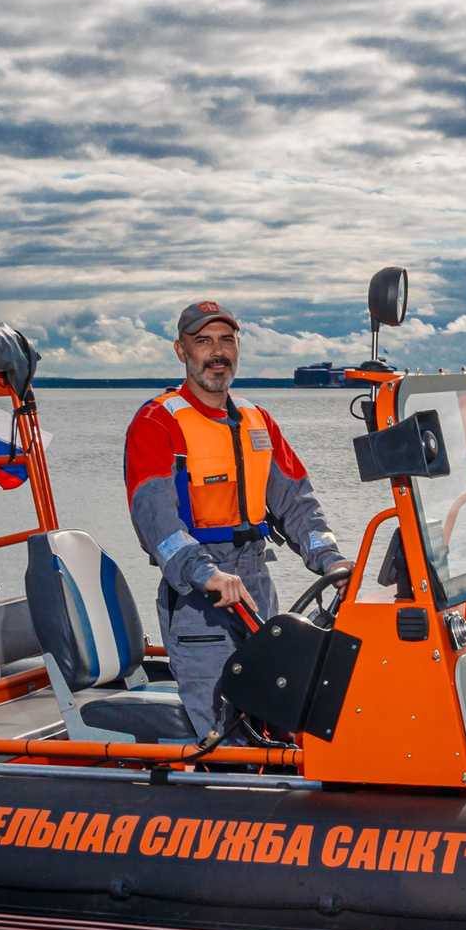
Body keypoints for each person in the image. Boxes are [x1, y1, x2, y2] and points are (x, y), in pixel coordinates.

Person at [124, 300, 349, 739]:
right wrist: (204, 573)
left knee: (277, 717)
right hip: (199, 602)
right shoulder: (157, 422)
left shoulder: (256, 419)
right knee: (223, 733)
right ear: (180, 350)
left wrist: (331, 560)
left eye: (226, 340)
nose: (217, 352)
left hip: (258, 584)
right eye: (203, 341)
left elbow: (298, 503)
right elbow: (155, 522)